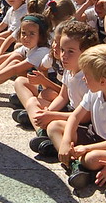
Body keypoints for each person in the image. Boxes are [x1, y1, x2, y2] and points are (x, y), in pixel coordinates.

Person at [48, 44, 106, 190]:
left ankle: (78, 165)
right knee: (54, 126)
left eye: (86, 75)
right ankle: (73, 163)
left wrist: (85, 148)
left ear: (103, 81)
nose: (84, 79)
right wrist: (67, 141)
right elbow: (75, 116)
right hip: (95, 134)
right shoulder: (96, 91)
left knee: (91, 159)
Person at [20, 21, 99, 154]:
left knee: (53, 126)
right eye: (62, 50)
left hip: (82, 121)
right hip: (70, 111)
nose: (63, 56)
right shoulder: (69, 69)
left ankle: (60, 148)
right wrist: (47, 112)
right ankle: (42, 134)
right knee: (33, 102)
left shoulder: (88, 78)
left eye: (70, 52)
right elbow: (63, 96)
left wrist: (52, 115)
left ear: (86, 52)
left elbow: (85, 117)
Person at [0, 15, 51, 99]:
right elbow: (8, 56)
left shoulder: (42, 51)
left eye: (32, 34)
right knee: (16, 57)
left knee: (16, 65)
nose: (26, 37)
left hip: (46, 86)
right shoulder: (29, 47)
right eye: (23, 33)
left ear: (41, 36)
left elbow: (16, 69)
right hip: (35, 78)